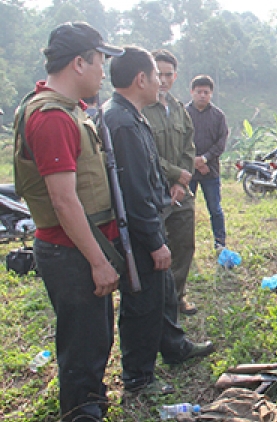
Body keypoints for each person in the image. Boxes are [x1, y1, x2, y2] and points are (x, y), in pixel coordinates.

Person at [12, 22, 123, 421]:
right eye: (100, 62)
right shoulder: (53, 118)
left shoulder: (67, 111)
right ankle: (81, 409)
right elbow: (63, 199)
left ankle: (89, 397)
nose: (102, 72)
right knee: (82, 340)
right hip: (70, 249)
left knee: (93, 334)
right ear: (79, 63)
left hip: (79, 244)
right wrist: (97, 260)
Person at [103, 46, 174, 394]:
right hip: (137, 233)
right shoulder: (123, 123)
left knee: (156, 297)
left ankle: (168, 350)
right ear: (141, 79)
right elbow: (134, 191)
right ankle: (138, 377)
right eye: (157, 76)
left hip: (144, 225)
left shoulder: (129, 116)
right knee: (142, 304)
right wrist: (155, 240)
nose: (161, 83)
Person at [142, 49, 198, 315]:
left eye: (168, 75)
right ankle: (155, 302)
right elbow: (145, 152)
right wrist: (175, 174)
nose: (163, 80)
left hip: (179, 192)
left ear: (175, 76)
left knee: (184, 245)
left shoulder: (178, 109)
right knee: (154, 249)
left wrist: (181, 181)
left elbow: (189, 147)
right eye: (158, 74)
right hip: (151, 192)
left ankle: (176, 297)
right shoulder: (141, 108)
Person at [186, 75, 228, 249]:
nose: (202, 95)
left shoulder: (218, 116)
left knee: (215, 209)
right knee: (185, 211)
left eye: (206, 92)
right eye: (199, 92)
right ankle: (185, 245)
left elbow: (221, 143)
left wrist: (204, 159)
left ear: (211, 94)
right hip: (186, 172)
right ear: (192, 92)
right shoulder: (183, 114)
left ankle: (220, 243)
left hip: (210, 171)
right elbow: (179, 141)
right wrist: (194, 161)